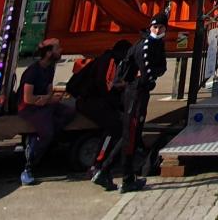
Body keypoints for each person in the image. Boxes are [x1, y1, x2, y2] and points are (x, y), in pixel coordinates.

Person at [106, 17, 171, 192]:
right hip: (135, 93)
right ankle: (124, 177)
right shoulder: (146, 45)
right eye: (155, 27)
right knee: (131, 135)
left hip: (140, 92)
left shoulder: (157, 44)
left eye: (161, 27)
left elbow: (161, 67)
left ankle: (106, 170)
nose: (157, 30)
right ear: (151, 27)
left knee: (131, 135)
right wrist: (151, 78)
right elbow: (147, 71)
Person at [16, 40, 77, 186]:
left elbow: (49, 91)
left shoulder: (50, 68)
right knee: (47, 133)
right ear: (49, 53)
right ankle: (29, 166)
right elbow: (28, 98)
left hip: (44, 105)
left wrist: (48, 99)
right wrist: (47, 99)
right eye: (58, 48)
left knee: (69, 112)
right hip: (29, 108)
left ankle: (45, 141)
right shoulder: (32, 71)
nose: (61, 50)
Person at [70, 39, 129, 187]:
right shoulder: (110, 61)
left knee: (116, 124)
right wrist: (118, 101)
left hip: (89, 100)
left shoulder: (106, 59)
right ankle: (99, 164)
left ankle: (100, 163)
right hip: (90, 102)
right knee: (115, 127)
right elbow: (105, 88)